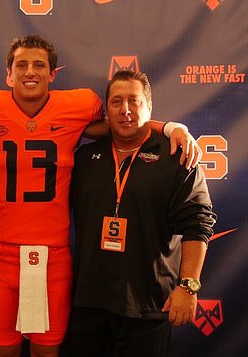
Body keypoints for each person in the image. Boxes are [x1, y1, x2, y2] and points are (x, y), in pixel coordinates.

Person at [0, 35, 201, 357]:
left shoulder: (78, 105)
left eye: (39, 65)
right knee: (4, 348)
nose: (31, 72)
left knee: (47, 349)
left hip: (53, 255)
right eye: (22, 64)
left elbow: (121, 123)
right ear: (8, 74)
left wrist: (169, 128)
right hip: (2, 255)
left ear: (52, 74)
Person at [66, 70, 216, 357]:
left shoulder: (177, 157)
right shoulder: (85, 159)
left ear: (149, 107)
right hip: (88, 305)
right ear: (106, 111)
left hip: (148, 305)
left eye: (134, 102)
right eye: (116, 102)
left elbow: (198, 224)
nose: (125, 110)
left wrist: (188, 286)